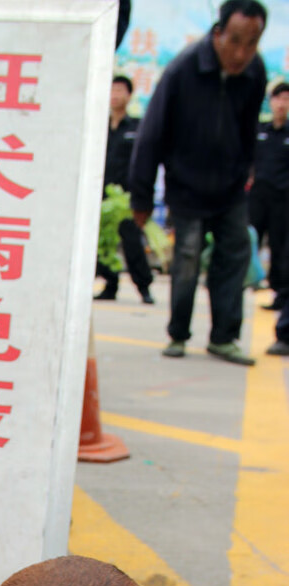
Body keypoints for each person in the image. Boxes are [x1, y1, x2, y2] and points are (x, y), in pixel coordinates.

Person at [129, 0, 268, 365]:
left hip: (230, 186)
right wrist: (141, 197)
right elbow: (151, 134)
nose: (241, 53)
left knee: (235, 255)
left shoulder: (254, 73)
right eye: (235, 41)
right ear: (218, 32)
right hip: (187, 185)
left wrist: (246, 169)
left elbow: (249, 128)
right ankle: (178, 334)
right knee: (187, 259)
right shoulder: (183, 69)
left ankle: (224, 337)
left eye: (251, 43)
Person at [95, 75, 155, 305]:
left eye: (120, 90)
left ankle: (144, 286)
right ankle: (110, 284)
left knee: (131, 242)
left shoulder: (136, 127)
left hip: (126, 197)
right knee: (103, 242)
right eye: (112, 90)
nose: (115, 95)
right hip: (101, 194)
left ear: (129, 96)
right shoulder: (101, 126)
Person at [249, 81, 289, 311]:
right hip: (257, 196)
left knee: (279, 247)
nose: (282, 104)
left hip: (282, 199)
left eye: (286, 99)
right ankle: (247, 283)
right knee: (249, 241)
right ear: (271, 102)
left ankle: (279, 293)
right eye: (279, 98)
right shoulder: (260, 131)